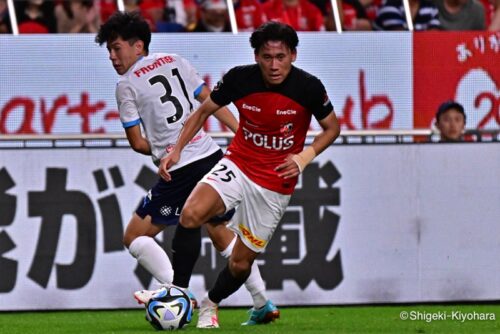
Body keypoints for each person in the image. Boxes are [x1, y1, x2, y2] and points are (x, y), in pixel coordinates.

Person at [95, 11, 279, 324]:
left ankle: (178, 291)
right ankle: (262, 301)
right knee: (221, 231)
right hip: (213, 157)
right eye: (109, 51)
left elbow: (137, 142)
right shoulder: (175, 60)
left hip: (180, 169)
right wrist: (241, 133)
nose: (112, 57)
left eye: (116, 48)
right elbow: (211, 100)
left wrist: (162, 152)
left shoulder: (126, 85)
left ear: (138, 46)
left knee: (134, 236)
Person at [159, 21, 340, 328]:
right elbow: (203, 110)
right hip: (239, 164)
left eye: (280, 57)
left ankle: (210, 303)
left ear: (293, 56)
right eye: (267, 57)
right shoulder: (239, 79)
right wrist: (177, 149)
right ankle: (178, 293)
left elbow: (332, 128)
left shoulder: (309, 87)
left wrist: (304, 156)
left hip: (275, 183)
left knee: (241, 264)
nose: (273, 65)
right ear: (256, 56)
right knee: (190, 214)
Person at [374, 0, 440, 31]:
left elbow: (433, 37)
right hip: (390, 53)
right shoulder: (390, 6)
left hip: (420, 51)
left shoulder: (431, 7)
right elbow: (402, 40)